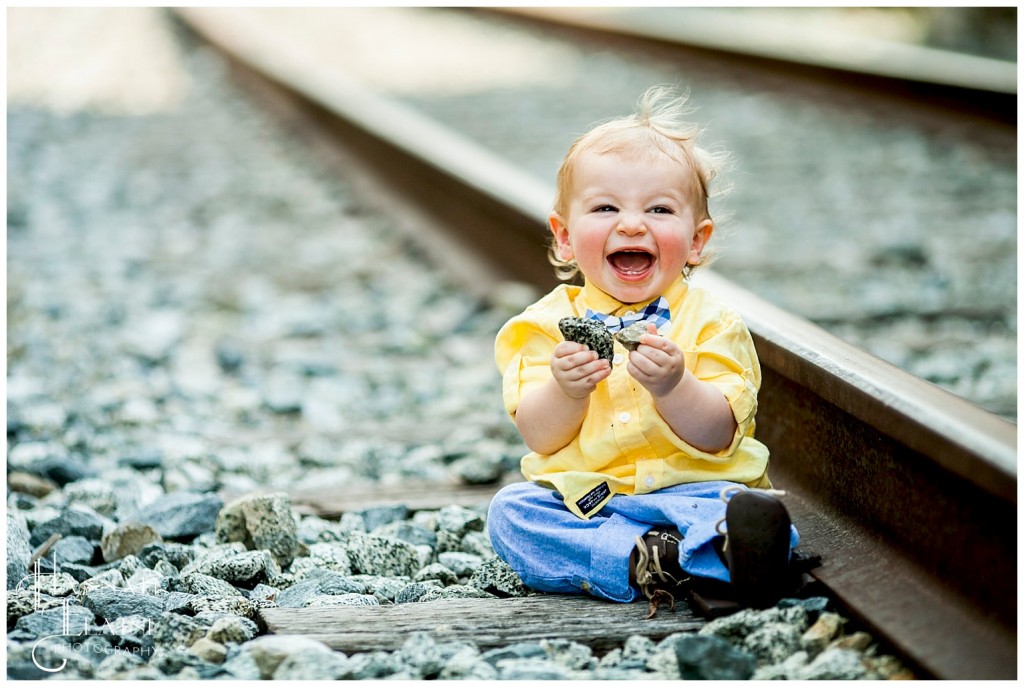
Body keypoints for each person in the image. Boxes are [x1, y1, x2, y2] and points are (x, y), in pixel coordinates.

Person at [488, 86, 799, 617]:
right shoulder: (540, 327)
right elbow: (540, 436)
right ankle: (659, 561)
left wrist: (675, 387)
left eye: (658, 209)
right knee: (513, 514)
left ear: (695, 241)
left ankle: (712, 551)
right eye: (606, 207)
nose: (632, 224)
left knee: (751, 511)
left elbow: (720, 436)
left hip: (697, 491)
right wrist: (566, 390)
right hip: (593, 501)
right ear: (564, 237)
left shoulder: (712, 324)